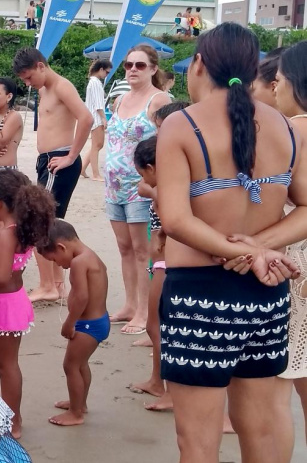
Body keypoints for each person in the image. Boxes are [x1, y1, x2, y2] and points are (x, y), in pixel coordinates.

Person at [157, 23, 301, 463]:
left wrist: (246, 251)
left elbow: (176, 220)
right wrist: (258, 249)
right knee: (259, 431)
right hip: (266, 297)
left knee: (198, 443)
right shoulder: (285, 126)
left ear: (198, 64)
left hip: (200, 299)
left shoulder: (182, 124)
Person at [0, 169, 56, 438]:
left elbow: (2, 276)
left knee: (6, 366)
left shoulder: (7, 234)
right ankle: (11, 416)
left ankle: (13, 421)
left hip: (3, 306)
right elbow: (10, 267)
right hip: (7, 303)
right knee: (6, 365)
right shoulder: (18, 229)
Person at [12, 48, 92, 302]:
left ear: (40, 66)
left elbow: (87, 118)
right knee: (49, 223)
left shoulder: (61, 86)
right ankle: (56, 285)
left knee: (38, 222)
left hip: (60, 160)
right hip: (47, 161)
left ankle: (48, 285)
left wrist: (71, 156)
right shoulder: (44, 89)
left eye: (28, 77)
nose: (27, 83)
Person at [104, 45, 170, 336]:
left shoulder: (159, 100)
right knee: (124, 248)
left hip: (140, 186)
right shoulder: (119, 100)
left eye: (140, 65)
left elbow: (168, 142)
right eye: (129, 64)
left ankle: (144, 311)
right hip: (113, 186)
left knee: (143, 251)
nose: (132, 69)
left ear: (153, 69)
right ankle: (130, 304)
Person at [128, 102, 188, 412]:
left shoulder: (168, 189)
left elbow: (172, 223)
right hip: (161, 261)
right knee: (156, 324)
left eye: (143, 174)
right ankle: (156, 380)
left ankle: (170, 392)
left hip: (167, 262)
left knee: (158, 326)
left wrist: (162, 231)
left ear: (152, 168)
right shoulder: (169, 183)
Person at [37, 219, 109, 427]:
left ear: (61, 247)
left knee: (71, 366)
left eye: (56, 260)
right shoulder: (90, 256)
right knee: (81, 365)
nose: (59, 265)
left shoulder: (78, 263)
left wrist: (69, 323)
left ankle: (76, 413)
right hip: (98, 321)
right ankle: (80, 403)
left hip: (87, 325)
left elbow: (81, 298)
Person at [270, 41, 307, 438]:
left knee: (278, 389)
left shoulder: (294, 128)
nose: (274, 87)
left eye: (278, 80)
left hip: (295, 263)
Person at [81, 60, 109, 181]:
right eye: (107, 72)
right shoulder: (96, 83)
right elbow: (98, 104)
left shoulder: (93, 82)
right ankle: (95, 174)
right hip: (96, 117)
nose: (107, 74)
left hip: (93, 115)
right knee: (97, 145)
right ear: (101, 69)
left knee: (95, 145)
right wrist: (104, 118)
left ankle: (83, 168)